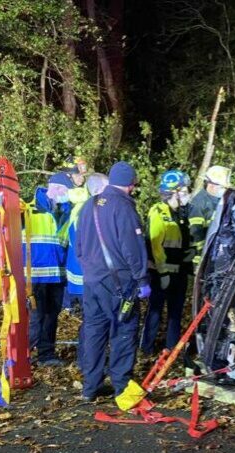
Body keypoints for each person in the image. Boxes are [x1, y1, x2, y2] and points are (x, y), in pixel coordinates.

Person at [76, 161, 151, 402]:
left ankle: (90, 386)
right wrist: (142, 279)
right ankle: (122, 386)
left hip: (92, 282)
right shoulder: (123, 208)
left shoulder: (89, 206)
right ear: (131, 184)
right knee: (123, 331)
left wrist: (90, 270)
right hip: (119, 283)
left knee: (94, 331)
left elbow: (79, 247)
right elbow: (133, 248)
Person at [21, 172, 72, 367]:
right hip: (34, 277)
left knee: (52, 316)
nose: (68, 195)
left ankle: (46, 354)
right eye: (66, 191)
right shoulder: (28, 210)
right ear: (56, 187)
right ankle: (22, 356)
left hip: (57, 276)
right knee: (35, 319)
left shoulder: (65, 212)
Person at [140, 170, 192, 356]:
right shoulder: (158, 212)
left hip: (179, 273)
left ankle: (172, 350)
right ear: (174, 191)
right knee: (155, 311)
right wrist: (162, 273)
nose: (187, 193)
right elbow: (155, 244)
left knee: (175, 313)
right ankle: (146, 349)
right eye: (184, 190)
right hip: (160, 273)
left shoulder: (183, 213)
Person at [65, 173, 108, 371]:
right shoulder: (90, 211)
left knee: (90, 322)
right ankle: (87, 362)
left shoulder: (81, 210)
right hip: (88, 276)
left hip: (82, 274)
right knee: (92, 322)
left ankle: (87, 361)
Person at [188, 165, 232, 266]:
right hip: (199, 259)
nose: (224, 190)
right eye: (222, 187)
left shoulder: (218, 200)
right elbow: (195, 234)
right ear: (211, 185)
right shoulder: (199, 204)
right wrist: (201, 258)